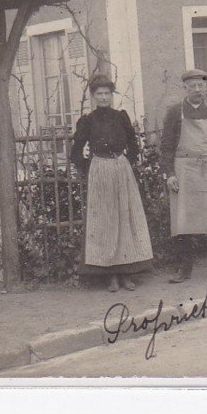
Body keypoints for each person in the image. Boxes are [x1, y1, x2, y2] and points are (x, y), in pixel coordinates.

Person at [72, 73, 153, 292]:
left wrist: (129, 162)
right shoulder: (88, 121)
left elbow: (134, 145)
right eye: (99, 94)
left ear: (112, 95)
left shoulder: (120, 117)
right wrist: (90, 168)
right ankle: (111, 276)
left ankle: (127, 273)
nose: (104, 97)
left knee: (125, 218)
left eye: (107, 93)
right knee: (106, 222)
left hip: (121, 168)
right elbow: (76, 151)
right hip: (100, 170)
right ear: (93, 96)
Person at [160, 68, 207, 283]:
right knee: (183, 220)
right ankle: (183, 269)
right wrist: (169, 173)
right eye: (192, 86)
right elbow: (166, 146)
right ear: (185, 89)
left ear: (205, 88)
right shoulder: (175, 112)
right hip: (184, 171)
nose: (197, 90)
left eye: (201, 86)